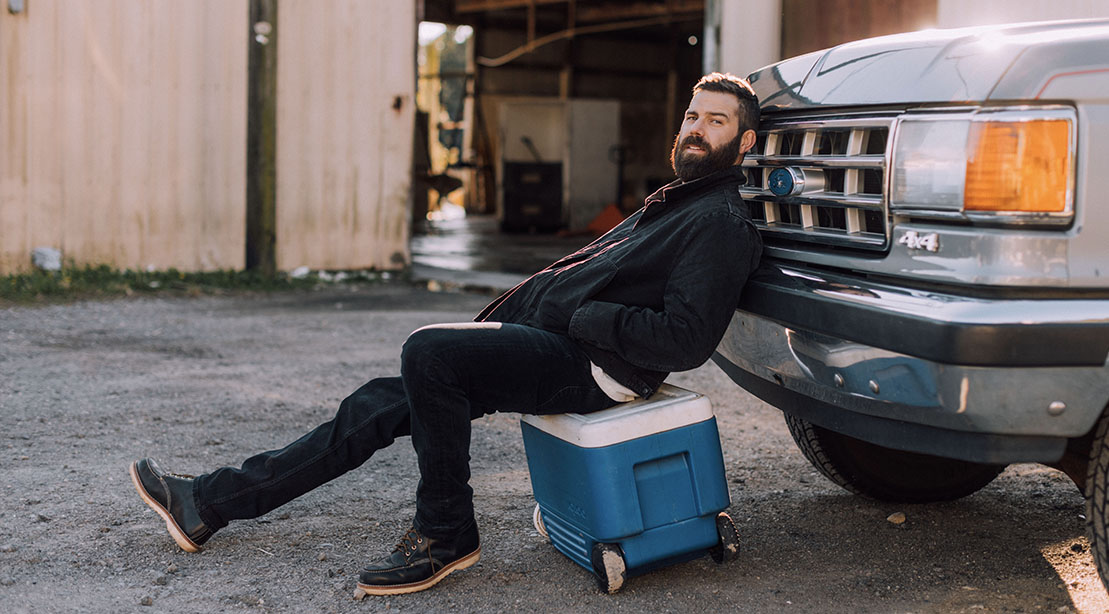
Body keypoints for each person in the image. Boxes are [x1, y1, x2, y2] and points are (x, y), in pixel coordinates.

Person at [130, 72, 763, 596]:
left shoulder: (719, 223)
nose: (695, 130)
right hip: (561, 345)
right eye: (691, 116)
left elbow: (684, 340)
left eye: (715, 122)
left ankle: (446, 531)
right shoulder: (676, 202)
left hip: (595, 366)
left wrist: (577, 317)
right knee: (378, 402)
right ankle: (209, 503)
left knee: (429, 351)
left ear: (744, 143)